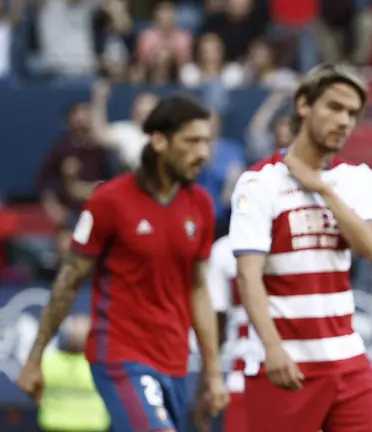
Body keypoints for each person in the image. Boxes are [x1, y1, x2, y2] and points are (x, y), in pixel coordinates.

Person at [17, 95, 230, 432]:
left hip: (174, 358)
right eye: (192, 141)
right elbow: (69, 280)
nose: (203, 153)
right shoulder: (110, 200)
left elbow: (199, 288)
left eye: (206, 141)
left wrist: (213, 375)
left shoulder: (201, 205)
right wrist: (34, 358)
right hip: (119, 352)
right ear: (159, 141)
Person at [229, 63, 372, 432]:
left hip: (348, 360)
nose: (344, 121)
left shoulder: (355, 178)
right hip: (284, 362)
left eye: (352, 114)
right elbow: (248, 276)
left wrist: (323, 189)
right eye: (334, 108)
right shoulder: (258, 183)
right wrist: (272, 347)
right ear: (304, 105)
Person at [204, 234, 263, 432]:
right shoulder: (224, 250)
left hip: (301, 373)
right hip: (243, 375)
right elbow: (216, 324)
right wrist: (209, 381)